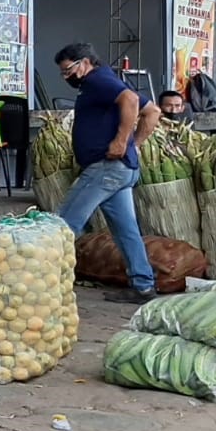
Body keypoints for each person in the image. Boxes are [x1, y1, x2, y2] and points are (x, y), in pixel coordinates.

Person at [54, 43, 163, 305]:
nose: (67, 77)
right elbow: (152, 111)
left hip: (105, 169)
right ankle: (143, 285)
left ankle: (40, 284)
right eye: (63, 73)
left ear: (85, 63)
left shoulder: (97, 80)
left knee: (62, 226)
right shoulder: (106, 81)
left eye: (68, 70)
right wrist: (132, 145)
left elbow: (133, 101)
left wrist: (122, 141)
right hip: (119, 170)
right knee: (126, 231)